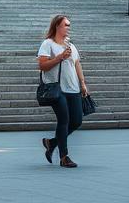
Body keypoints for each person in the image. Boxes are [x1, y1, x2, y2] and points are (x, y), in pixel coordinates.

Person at [37, 14, 89, 168]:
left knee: (77, 120)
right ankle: (64, 156)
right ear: (57, 26)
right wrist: (59, 57)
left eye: (69, 25)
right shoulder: (48, 44)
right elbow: (42, 66)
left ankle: (51, 142)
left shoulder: (71, 46)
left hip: (73, 88)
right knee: (64, 120)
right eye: (66, 24)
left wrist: (83, 83)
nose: (68, 27)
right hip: (57, 89)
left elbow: (77, 64)